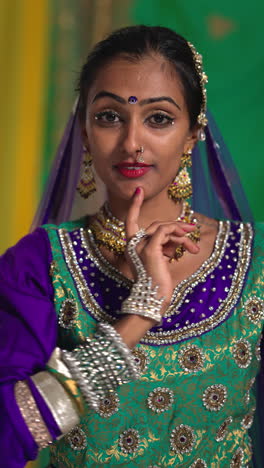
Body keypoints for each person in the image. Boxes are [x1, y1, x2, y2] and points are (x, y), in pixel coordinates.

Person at [0, 25, 263, 468]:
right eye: (109, 116)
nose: (132, 143)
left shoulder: (254, 261)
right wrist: (139, 313)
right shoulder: (38, 266)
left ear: (192, 135)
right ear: (84, 131)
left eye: (158, 118)